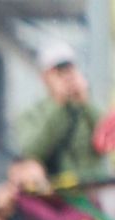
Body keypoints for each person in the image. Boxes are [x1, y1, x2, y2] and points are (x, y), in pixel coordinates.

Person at [16, 42, 109, 185]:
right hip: (57, 190)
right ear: (44, 77)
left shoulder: (86, 107)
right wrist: (58, 104)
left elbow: (107, 138)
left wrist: (85, 101)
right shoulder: (32, 113)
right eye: (59, 72)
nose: (66, 77)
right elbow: (32, 151)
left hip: (94, 185)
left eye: (69, 70)